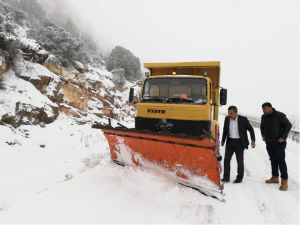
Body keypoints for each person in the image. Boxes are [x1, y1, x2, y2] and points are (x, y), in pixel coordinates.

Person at [260, 102, 292, 191]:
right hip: (269, 142)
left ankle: (284, 181)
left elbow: (288, 125)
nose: (263, 111)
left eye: (265, 109)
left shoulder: (279, 115)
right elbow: (262, 126)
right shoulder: (264, 116)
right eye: (263, 109)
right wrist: (263, 135)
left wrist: (283, 137)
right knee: (273, 160)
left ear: (270, 108)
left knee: (280, 161)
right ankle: (274, 177)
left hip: (279, 142)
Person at [221, 106, 256, 183]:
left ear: (236, 112)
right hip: (230, 142)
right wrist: (223, 140)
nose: (230, 115)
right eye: (229, 113)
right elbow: (225, 130)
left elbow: (251, 129)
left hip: (240, 143)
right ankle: (226, 177)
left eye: (231, 113)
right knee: (226, 160)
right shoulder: (227, 119)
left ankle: (239, 178)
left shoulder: (243, 119)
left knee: (239, 160)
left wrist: (253, 140)